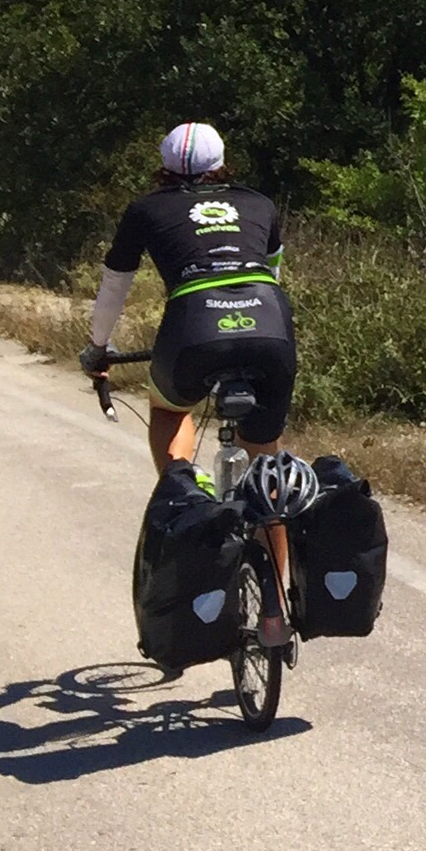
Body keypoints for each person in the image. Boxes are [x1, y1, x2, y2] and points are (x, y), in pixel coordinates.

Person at [80, 122, 299, 643]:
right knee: (265, 465)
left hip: (194, 327)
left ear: (163, 168)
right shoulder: (259, 203)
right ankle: (275, 610)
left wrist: (97, 348)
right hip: (269, 327)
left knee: (169, 408)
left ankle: (186, 490)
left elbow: (115, 284)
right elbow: (271, 272)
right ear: (222, 165)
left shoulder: (146, 209)